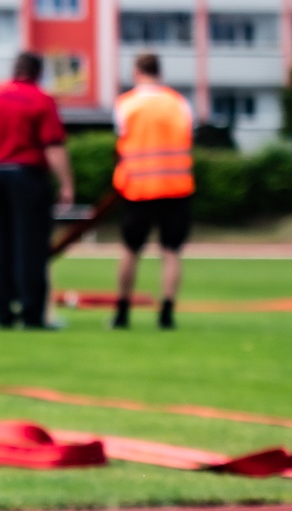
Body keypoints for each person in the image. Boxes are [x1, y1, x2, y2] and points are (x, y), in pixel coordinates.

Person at [0, 52, 74, 329]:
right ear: (37, 73)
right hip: (28, 177)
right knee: (31, 247)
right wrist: (66, 184)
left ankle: (1, 312)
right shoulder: (41, 100)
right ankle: (32, 314)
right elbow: (52, 146)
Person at [110, 53, 193, 330]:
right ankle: (167, 313)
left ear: (136, 72)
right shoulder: (178, 103)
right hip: (175, 188)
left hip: (138, 189)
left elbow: (120, 141)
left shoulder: (126, 104)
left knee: (130, 250)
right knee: (171, 251)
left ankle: (122, 312)